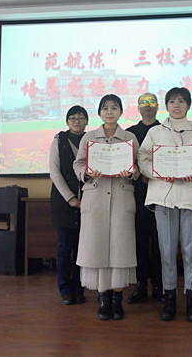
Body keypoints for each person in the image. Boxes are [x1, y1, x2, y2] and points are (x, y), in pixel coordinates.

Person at [138, 87, 192, 322]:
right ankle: (170, 299)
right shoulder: (155, 132)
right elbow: (143, 159)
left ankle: (191, 299)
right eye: (172, 101)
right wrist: (159, 172)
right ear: (166, 106)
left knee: (190, 250)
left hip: (191, 196)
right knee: (166, 250)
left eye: (181, 101)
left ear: (188, 105)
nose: (176, 105)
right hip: (163, 197)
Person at [73, 94, 140, 321]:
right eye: (105, 108)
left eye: (114, 107)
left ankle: (117, 300)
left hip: (121, 196)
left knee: (120, 250)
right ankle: (103, 299)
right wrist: (86, 172)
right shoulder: (89, 137)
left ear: (121, 111)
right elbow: (78, 163)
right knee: (98, 248)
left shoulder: (129, 137)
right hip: (96, 196)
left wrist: (132, 172)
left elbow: (138, 166)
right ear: (99, 112)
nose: (109, 112)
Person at [49, 105, 88, 306]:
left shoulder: (91, 140)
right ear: (67, 121)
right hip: (64, 203)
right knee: (65, 248)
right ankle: (65, 289)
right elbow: (55, 172)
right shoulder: (59, 140)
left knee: (83, 249)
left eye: (81, 117)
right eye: (73, 117)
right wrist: (71, 198)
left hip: (88, 203)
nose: (77, 121)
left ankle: (79, 288)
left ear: (87, 121)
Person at [126, 93, 163, 304]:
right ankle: (140, 284)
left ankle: (158, 285)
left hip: (160, 192)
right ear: (138, 108)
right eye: (143, 102)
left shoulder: (165, 130)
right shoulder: (129, 133)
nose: (147, 106)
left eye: (151, 102)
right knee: (138, 241)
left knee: (159, 242)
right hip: (136, 193)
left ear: (158, 106)